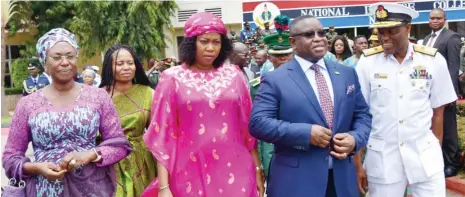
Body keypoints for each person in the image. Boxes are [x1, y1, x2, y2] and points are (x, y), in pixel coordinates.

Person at [141, 12, 265, 197]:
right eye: (204, 41)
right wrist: (164, 187)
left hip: (237, 169)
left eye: (216, 42)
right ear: (192, 43)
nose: (210, 48)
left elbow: (247, 128)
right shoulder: (172, 78)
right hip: (189, 171)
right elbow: (163, 134)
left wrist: (257, 170)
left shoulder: (234, 75)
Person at [249, 15, 372, 197]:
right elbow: (258, 123)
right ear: (293, 42)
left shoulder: (346, 73)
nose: (318, 38)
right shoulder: (276, 79)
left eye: (321, 33)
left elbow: (362, 115)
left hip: (341, 181)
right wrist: (305, 133)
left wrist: (355, 139)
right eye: (309, 34)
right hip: (297, 182)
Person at [2, 28, 132, 197]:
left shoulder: (98, 96)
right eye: (57, 57)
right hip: (45, 190)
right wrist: (36, 168)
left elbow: (120, 145)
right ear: (44, 61)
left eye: (70, 56)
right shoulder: (27, 104)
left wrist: (89, 155)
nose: (65, 62)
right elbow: (10, 157)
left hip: (93, 189)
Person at [355, 4, 457, 197]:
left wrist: (434, 149)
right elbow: (359, 115)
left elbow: (439, 113)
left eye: (392, 31)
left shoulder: (432, 61)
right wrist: (358, 164)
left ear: (408, 28)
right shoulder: (367, 63)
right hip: (383, 159)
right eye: (381, 31)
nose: (384, 37)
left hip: (424, 156)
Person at [98, 44, 156, 197]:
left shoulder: (148, 94)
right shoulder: (97, 96)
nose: (126, 67)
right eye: (120, 63)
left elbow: (160, 133)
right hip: (107, 162)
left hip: (142, 161)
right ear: (109, 67)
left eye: (130, 63)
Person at [249, 14, 294, 180]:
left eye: (286, 54)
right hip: (272, 151)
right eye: (277, 55)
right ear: (269, 57)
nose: (282, 58)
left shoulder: (306, 82)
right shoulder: (257, 86)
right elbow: (256, 127)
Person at [422, 8, 462, 177]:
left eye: (438, 18)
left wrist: (451, 94)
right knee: (433, 128)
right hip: (428, 91)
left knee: (449, 129)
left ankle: (452, 163)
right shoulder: (425, 39)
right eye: (432, 18)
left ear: (445, 20)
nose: (435, 21)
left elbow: (453, 67)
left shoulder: (451, 37)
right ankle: (439, 161)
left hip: (445, 92)